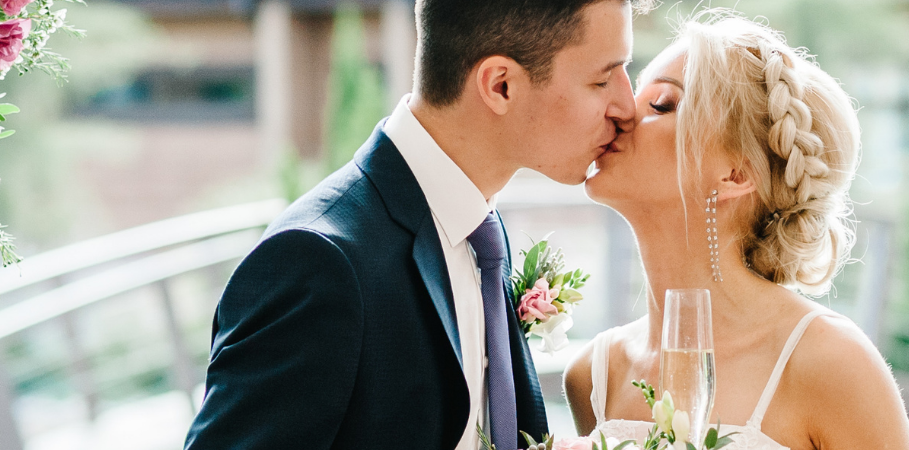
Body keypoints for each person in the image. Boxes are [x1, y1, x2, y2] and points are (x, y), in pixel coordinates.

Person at [183, 0, 645, 449]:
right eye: (603, 80)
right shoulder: (318, 262)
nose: (628, 106)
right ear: (500, 85)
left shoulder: (481, 231)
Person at [566, 11, 909, 450]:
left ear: (735, 173)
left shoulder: (831, 363)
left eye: (661, 105)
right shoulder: (595, 375)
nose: (620, 113)